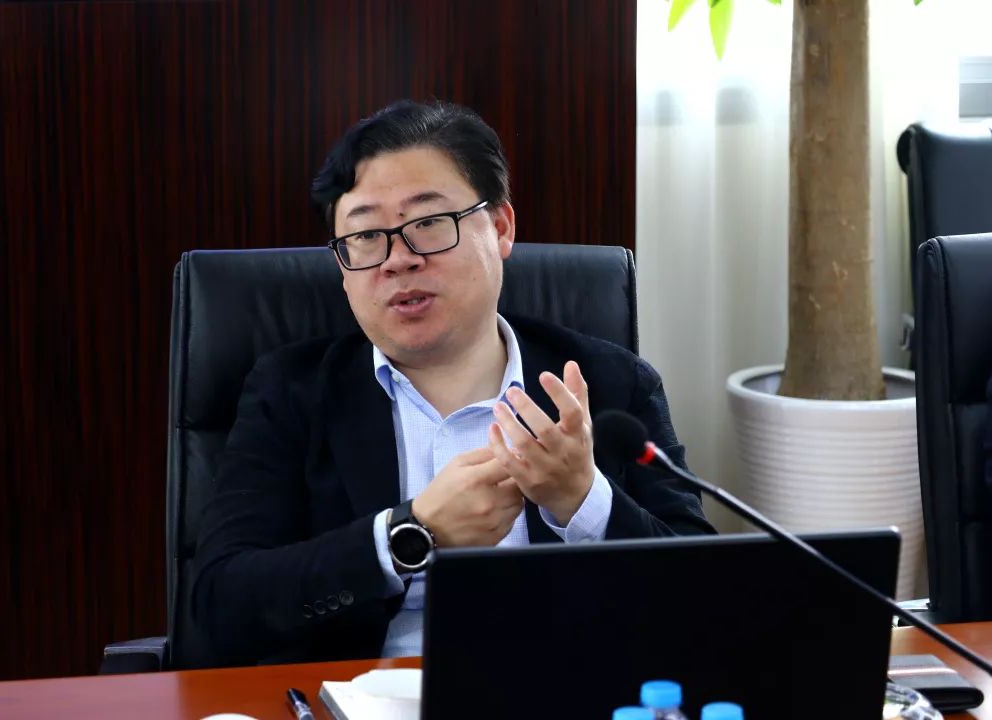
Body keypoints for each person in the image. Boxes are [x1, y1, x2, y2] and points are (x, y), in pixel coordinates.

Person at [191, 99, 714, 666]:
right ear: (342, 266)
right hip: (364, 696)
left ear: (501, 227)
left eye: (428, 223)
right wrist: (408, 534)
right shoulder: (292, 393)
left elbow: (709, 597)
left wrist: (582, 500)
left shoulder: (610, 384)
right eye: (366, 236)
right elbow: (222, 606)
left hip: (563, 686)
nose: (397, 260)